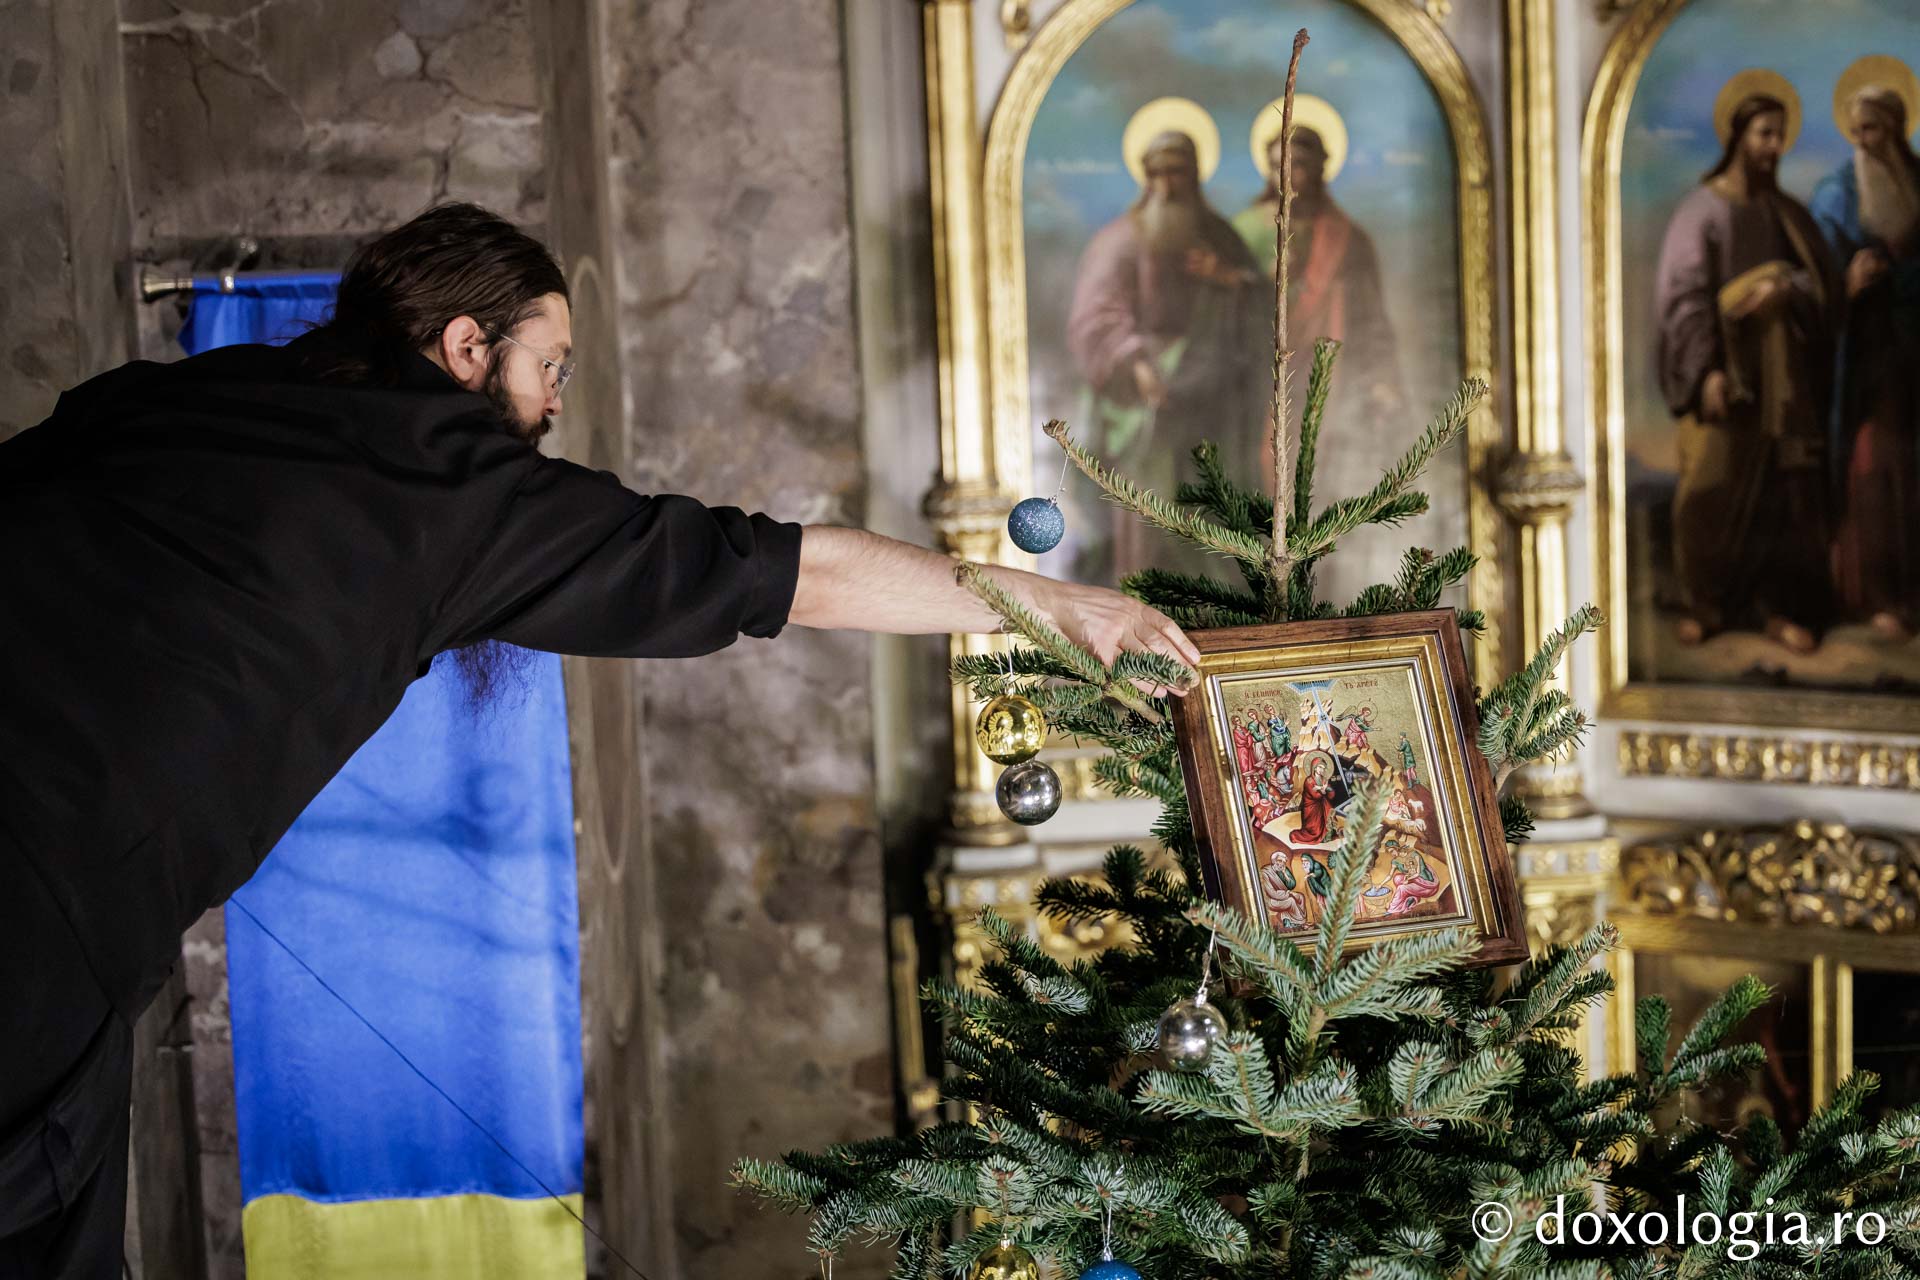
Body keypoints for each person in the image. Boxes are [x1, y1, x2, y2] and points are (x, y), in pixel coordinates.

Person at [0, 203, 1200, 1279]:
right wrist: (1064, 607)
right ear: (468, 348)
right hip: (42, 929)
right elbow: (782, 570)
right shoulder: (453, 486)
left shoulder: (175, 393)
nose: (555, 405)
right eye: (549, 366)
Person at [1654, 90, 1839, 653]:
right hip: (1726, 379)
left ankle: (1777, 611)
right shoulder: (1702, 211)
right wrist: (1706, 370)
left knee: (1784, 497)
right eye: (1765, 134)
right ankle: (1706, 605)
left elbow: (1821, 285)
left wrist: (1786, 287)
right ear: (1738, 137)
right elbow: (1683, 300)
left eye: (1781, 135)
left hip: (1783, 384)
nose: (1775, 147)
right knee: (1708, 491)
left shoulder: (1787, 214)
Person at [1065, 130, 1269, 577]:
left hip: (1212, 407)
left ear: (1194, 174)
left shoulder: (1220, 238)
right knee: (1149, 512)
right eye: (1156, 173)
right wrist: (1136, 363)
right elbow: (1094, 315)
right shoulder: (1120, 240)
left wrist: (1228, 279)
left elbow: (1265, 307)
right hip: (1147, 401)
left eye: (1176, 171)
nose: (1166, 184)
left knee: (1211, 514)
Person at [1810, 82, 1920, 639]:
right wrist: (1847, 284)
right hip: (1866, 353)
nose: (1861, 138)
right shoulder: (1838, 191)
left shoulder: (1918, 179)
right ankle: (1874, 594)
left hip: (1913, 349)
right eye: (1855, 127)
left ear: (1896, 128)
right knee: (1872, 466)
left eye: (1872, 126)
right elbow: (1817, 272)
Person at [1231, 125, 1403, 424]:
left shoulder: (1348, 239)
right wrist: (1262, 285)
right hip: (1260, 371)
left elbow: (1371, 315)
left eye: (1297, 164)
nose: (1284, 174)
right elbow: (1221, 312)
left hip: (1329, 370)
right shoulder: (1246, 230)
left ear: (1319, 167)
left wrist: (1382, 377)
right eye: (1276, 165)